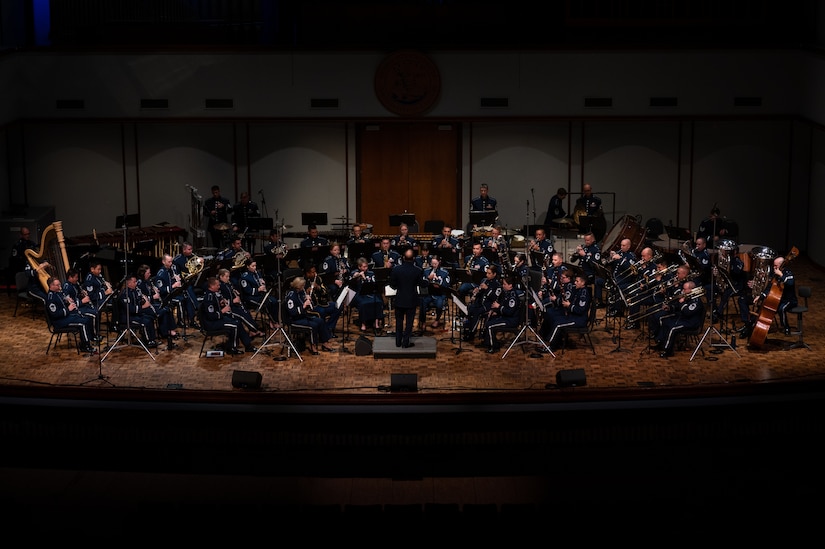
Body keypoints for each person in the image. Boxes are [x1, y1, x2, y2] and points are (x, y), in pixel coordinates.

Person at [199, 276, 254, 355]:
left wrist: (221, 303)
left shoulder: (213, 294)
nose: (219, 286)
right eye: (217, 285)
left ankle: (248, 345)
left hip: (217, 319)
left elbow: (215, 306)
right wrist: (223, 311)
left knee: (237, 322)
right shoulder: (209, 298)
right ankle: (232, 348)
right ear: (212, 286)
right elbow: (211, 316)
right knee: (234, 326)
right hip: (211, 324)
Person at [45, 275, 97, 354]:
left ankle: (86, 340)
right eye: (57, 285)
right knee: (82, 323)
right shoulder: (50, 298)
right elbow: (55, 314)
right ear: (51, 286)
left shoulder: (58, 293)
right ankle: (85, 346)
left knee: (86, 318)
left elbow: (62, 302)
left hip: (66, 317)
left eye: (60, 284)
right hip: (60, 322)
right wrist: (68, 309)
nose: (60, 286)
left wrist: (67, 300)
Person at [541, 272, 591, 352]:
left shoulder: (584, 294)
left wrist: (569, 306)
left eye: (577, 281)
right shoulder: (579, 290)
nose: (575, 283)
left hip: (579, 320)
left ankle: (551, 347)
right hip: (573, 316)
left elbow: (580, 310)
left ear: (583, 283)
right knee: (555, 319)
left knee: (558, 324)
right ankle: (555, 341)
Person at [284, 276, 336, 353]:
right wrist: (304, 306)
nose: (303, 288)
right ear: (298, 286)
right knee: (313, 325)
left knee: (320, 321)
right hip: (294, 320)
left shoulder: (301, 292)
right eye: (302, 286)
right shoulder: (291, 296)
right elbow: (293, 312)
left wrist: (309, 300)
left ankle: (325, 342)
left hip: (303, 316)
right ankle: (313, 345)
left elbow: (308, 305)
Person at [656, 280, 705, 358]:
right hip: (683, 319)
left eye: (685, 289)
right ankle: (661, 343)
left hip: (691, 323)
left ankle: (668, 350)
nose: (682, 291)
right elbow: (678, 308)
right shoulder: (687, 297)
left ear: (691, 290)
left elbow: (687, 312)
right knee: (665, 320)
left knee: (672, 328)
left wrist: (682, 302)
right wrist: (670, 308)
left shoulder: (696, 301)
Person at [389, 248, 426, 348]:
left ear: (403, 258)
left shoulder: (396, 269)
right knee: (409, 322)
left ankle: (398, 342)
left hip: (399, 299)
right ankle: (405, 343)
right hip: (411, 300)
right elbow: (422, 284)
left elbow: (392, 285)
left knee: (399, 321)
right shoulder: (418, 270)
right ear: (413, 258)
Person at [751, 256, 797, 336]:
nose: (774, 267)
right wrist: (761, 296)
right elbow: (769, 288)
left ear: (782, 264)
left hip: (789, 300)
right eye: (774, 266)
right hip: (778, 299)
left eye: (776, 266)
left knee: (781, 309)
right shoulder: (775, 274)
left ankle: (786, 327)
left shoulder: (788, 273)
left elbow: (790, 283)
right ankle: (755, 327)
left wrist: (781, 275)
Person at [136, 264, 178, 348]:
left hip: (151, 303)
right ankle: (164, 332)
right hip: (145, 306)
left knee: (167, 308)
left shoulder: (148, 281)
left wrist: (155, 290)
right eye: (148, 273)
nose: (150, 274)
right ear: (143, 273)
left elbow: (150, 291)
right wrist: (153, 297)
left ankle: (169, 330)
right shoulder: (140, 283)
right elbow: (141, 297)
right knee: (162, 311)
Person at [217, 267, 264, 338]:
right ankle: (255, 330)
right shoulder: (219, 286)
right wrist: (232, 301)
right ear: (221, 276)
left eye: (229, 276)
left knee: (246, 312)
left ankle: (252, 330)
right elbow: (221, 301)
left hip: (234, 305)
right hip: (227, 308)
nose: (228, 278)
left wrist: (235, 293)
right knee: (242, 315)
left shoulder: (228, 284)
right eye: (226, 277)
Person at [118, 274, 159, 348]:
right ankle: (148, 341)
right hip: (127, 317)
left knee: (150, 318)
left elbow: (139, 300)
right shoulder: (124, 294)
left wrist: (144, 300)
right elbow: (130, 309)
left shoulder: (135, 291)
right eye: (134, 282)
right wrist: (143, 306)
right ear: (129, 283)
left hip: (136, 314)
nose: (136, 283)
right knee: (145, 322)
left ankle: (152, 339)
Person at [483, 275, 522, 354]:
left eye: (504, 284)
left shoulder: (512, 297)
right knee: (489, 320)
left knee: (490, 326)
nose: (503, 286)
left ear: (510, 285)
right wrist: (495, 311)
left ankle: (493, 347)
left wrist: (499, 307)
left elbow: (509, 312)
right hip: (505, 317)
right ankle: (488, 342)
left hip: (511, 320)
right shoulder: (506, 293)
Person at [463, 264, 501, 342]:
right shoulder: (484, 280)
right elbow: (480, 292)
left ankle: (472, 333)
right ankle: (467, 329)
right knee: (470, 308)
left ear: (494, 274)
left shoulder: (497, 285)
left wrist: (487, 289)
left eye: (489, 273)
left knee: (476, 312)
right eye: (487, 273)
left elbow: (495, 297)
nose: (487, 275)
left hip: (488, 305)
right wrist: (477, 290)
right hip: (480, 302)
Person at [305, 264, 342, 338]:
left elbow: (325, 292)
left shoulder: (318, 279)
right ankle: (323, 333)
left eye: (315, 272)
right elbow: (301, 296)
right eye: (312, 272)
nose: (315, 274)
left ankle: (329, 327)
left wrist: (318, 287)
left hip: (322, 303)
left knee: (338, 306)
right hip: (312, 306)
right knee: (321, 312)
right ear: (307, 273)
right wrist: (307, 292)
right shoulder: (303, 282)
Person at [239, 258, 279, 326]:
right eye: (253, 266)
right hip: (250, 297)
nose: (255, 268)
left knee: (275, 301)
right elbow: (248, 291)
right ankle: (272, 321)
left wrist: (263, 284)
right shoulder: (244, 277)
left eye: (255, 266)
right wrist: (258, 289)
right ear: (248, 266)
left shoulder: (257, 273)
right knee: (267, 303)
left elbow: (260, 282)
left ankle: (275, 320)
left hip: (260, 294)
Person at [349, 257, 384, 332]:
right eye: (364, 267)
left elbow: (373, 285)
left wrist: (365, 279)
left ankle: (376, 323)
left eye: (366, 266)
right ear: (359, 267)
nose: (366, 268)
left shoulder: (371, 273)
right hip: (358, 294)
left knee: (378, 301)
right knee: (363, 304)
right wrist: (356, 277)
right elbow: (351, 283)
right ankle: (363, 324)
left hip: (370, 293)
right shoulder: (354, 273)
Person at [572, 232, 604, 307]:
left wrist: (584, 255)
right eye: (585, 240)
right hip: (581, 272)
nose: (586, 242)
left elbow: (594, 265)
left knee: (580, 280)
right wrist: (576, 252)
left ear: (593, 240)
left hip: (591, 273)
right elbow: (572, 260)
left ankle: (587, 300)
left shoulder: (596, 250)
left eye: (588, 240)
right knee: (571, 277)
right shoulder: (584, 248)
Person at [420, 254, 451, 330]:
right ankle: (423, 321)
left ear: (439, 263)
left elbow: (447, 285)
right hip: (429, 293)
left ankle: (437, 320)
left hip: (440, 294)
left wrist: (439, 282)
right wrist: (428, 279)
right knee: (422, 302)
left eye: (435, 264)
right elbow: (422, 283)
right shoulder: (426, 271)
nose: (434, 265)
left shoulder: (445, 272)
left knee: (439, 304)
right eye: (432, 263)